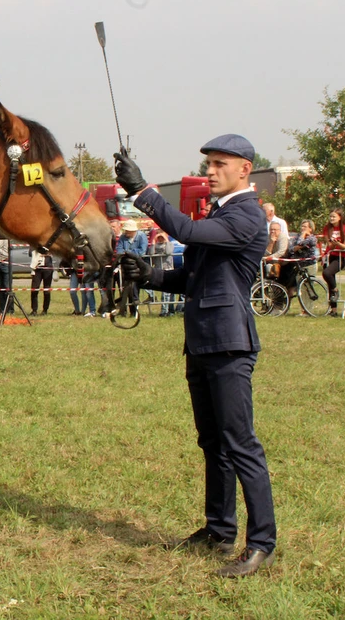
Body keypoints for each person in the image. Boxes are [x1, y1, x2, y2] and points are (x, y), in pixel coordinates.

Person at [114, 133, 277, 578]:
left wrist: (141, 192)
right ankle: (219, 529)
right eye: (208, 164)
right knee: (212, 443)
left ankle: (261, 542)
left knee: (240, 444)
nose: (210, 171)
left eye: (219, 164)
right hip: (202, 341)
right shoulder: (220, 214)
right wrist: (149, 274)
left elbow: (183, 231)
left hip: (229, 343)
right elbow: (193, 276)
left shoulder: (246, 216)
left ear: (245, 168)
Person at [318, 208, 345, 316]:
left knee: (327, 273)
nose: (331, 218)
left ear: (340, 217)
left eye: (334, 216)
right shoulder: (327, 228)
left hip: (340, 257)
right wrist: (332, 243)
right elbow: (329, 245)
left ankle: (336, 290)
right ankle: (334, 310)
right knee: (329, 281)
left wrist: (337, 243)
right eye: (330, 216)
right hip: (330, 255)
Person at [280, 219, 318, 314]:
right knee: (301, 288)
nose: (302, 228)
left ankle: (308, 310)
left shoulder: (312, 238)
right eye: (302, 226)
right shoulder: (296, 236)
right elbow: (291, 248)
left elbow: (300, 243)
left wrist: (302, 238)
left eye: (305, 227)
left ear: (310, 228)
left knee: (308, 288)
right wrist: (298, 246)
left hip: (310, 265)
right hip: (299, 266)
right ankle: (303, 309)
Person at [115, 220, 148, 315]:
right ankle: (124, 311)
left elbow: (142, 251)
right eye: (126, 231)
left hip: (138, 267)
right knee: (125, 289)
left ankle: (134, 312)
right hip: (125, 267)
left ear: (134, 231)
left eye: (128, 231)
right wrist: (130, 253)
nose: (126, 233)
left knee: (134, 289)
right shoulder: (122, 237)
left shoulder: (141, 236)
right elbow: (119, 251)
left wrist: (128, 253)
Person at [149, 232, 175, 316]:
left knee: (170, 293)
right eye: (159, 237)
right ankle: (164, 311)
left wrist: (166, 240)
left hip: (168, 269)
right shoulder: (156, 245)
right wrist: (153, 241)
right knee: (165, 292)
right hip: (159, 270)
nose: (160, 239)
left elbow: (168, 252)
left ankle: (170, 310)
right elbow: (151, 254)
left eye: (162, 237)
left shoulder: (170, 244)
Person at [29, 248, 54, 316]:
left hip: (48, 268)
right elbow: (30, 253)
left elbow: (53, 251)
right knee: (34, 289)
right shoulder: (34, 244)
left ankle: (45, 310)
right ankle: (34, 310)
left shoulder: (49, 243)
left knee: (46, 290)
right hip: (37, 268)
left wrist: (46, 253)